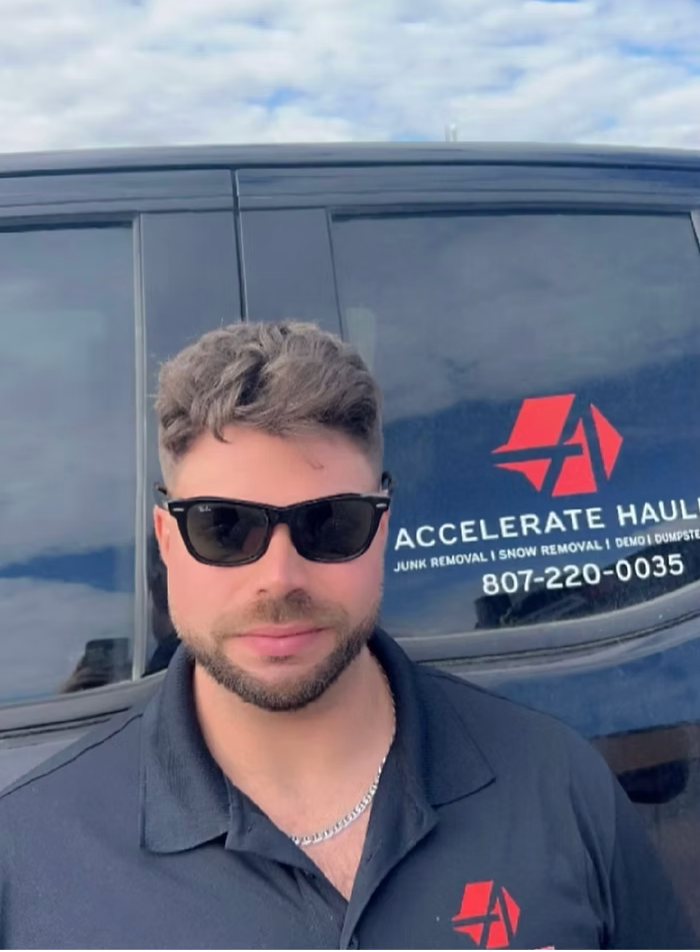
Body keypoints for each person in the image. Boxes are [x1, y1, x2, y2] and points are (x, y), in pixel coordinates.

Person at [0, 321, 695, 950]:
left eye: (329, 523)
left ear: (381, 530)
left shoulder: (555, 783)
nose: (278, 576)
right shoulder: (33, 855)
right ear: (168, 542)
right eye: (224, 526)